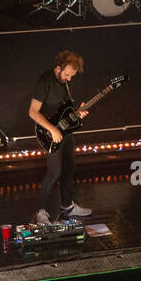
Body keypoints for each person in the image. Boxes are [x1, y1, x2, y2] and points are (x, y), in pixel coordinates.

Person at [27, 50, 92, 224]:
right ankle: (39, 212)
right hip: (49, 133)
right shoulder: (45, 81)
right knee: (54, 172)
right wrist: (52, 129)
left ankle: (67, 206)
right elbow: (33, 112)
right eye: (68, 74)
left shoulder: (64, 83)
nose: (70, 78)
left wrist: (77, 113)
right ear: (58, 68)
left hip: (65, 131)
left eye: (72, 76)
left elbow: (64, 110)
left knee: (69, 168)